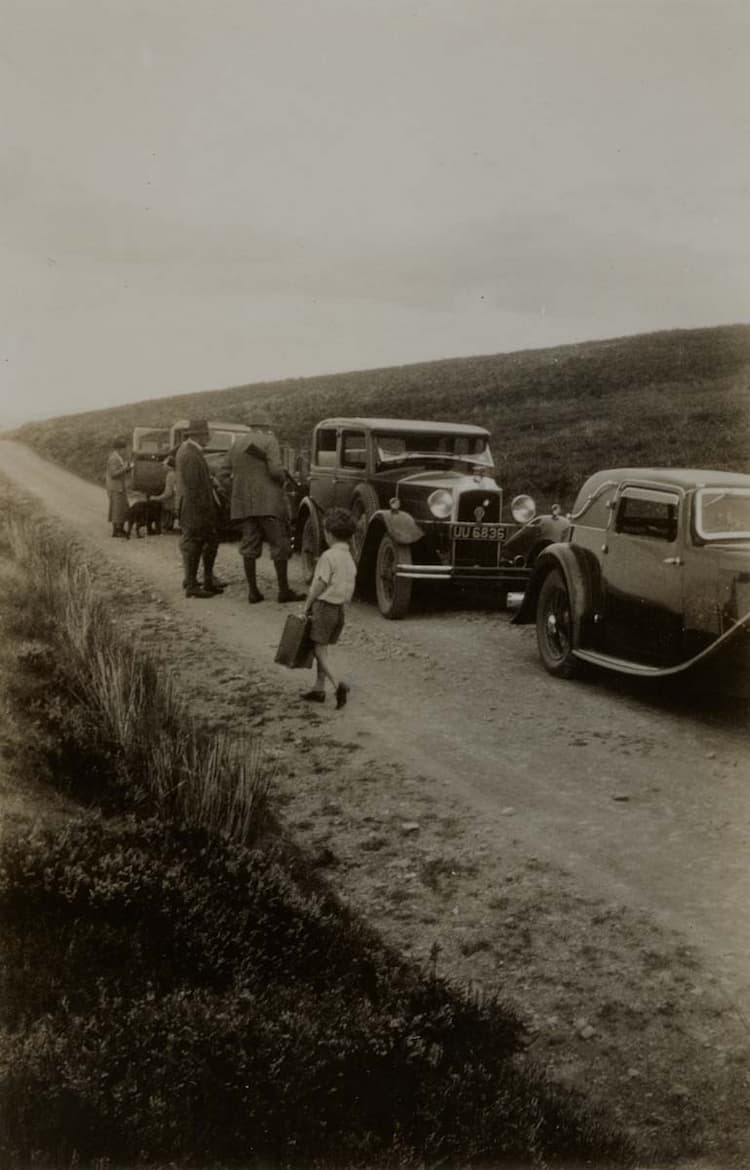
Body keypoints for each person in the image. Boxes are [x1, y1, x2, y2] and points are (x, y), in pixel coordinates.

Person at [222, 407, 303, 604]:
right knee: (279, 545)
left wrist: (237, 490)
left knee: (249, 546)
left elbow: (222, 473)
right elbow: (275, 471)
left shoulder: (237, 444)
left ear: (251, 426)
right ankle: (283, 592)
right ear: (266, 426)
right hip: (269, 503)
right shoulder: (269, 441)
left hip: (245, 505)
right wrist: (284, 477)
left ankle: (253, 592)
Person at [301, 507, 357, 708]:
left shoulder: (328, 556)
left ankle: (337, 683)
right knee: (322, 647)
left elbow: (320, 583)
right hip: (338, 609)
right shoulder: (349, 558)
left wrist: (307, 604)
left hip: (324, 607)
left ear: (328, 534)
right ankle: (318, 688)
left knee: (318, 649)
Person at [174, 420, 224, 598]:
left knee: (206, 542)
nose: (208, 438)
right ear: (198, 435)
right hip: (196, 507)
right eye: (206, 434)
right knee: (194, 544)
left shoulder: (188, 450)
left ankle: (202, 581)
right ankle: (193, 585)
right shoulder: (191, 454)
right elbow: (195, 486)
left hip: (194, 506)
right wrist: (206, 510)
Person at [105, 436, 132, 537]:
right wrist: (125, 469)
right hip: (115, 487)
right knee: (117, 508)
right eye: (124, 449)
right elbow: (113, 474)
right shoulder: (113, 458)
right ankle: (116, 531)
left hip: (120, 486)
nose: (125, 451)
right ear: (119, 449)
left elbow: (118, 472)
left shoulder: (118, 458)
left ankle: (120, 528)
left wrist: (127, 468)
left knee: (122, 507)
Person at [151, 454, 177, 531]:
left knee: (157, 502)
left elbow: (168, 493)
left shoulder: (170, 475)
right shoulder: (176, 473)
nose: (163, 466)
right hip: (178, 498)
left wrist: (155, 498)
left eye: (164, 464)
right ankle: (168, 523)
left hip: (174, 502)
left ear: (169, 466)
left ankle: (165, 524)